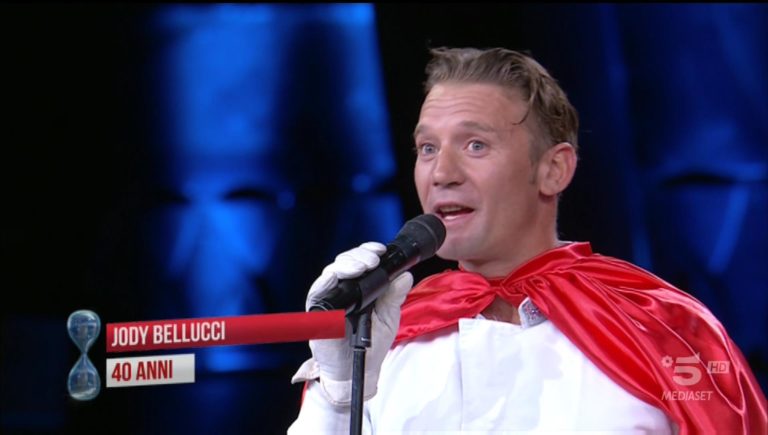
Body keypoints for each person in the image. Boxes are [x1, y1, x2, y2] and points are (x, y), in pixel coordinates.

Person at [287, 47, 767, 433]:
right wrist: (339, 393)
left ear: (554, 169)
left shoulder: (665, 327)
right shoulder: (381, 341)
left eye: (475, 145)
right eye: (427, 148)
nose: (441, 173)